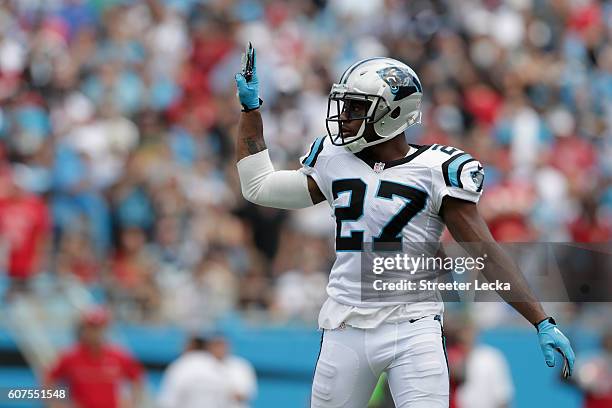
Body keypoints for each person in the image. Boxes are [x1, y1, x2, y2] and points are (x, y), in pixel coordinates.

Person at [234, 48, 576, 408]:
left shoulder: (437, 169)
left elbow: (485, 253)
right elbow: (259, 186)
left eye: (357, 108)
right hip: (345, 324)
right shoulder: (333, 160)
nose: (344, 118)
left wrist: (541, 320)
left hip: (414, 326)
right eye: (345, 106)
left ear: (393, 113)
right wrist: (250, 110)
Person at [44, 308, 144, 408]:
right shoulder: (70, 357)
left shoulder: (119, 356)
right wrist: (56, 404)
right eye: (91, 327)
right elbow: (49, 379)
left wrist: (132, 403)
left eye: (99, 327)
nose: (95, 333)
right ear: (84, 329)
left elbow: (137, 378)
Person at [158, 332, 257, 408]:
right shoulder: (190, 365)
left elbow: (246, 394)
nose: (220, 349)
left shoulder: (240, 366)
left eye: (222, 345)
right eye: (216, 345)